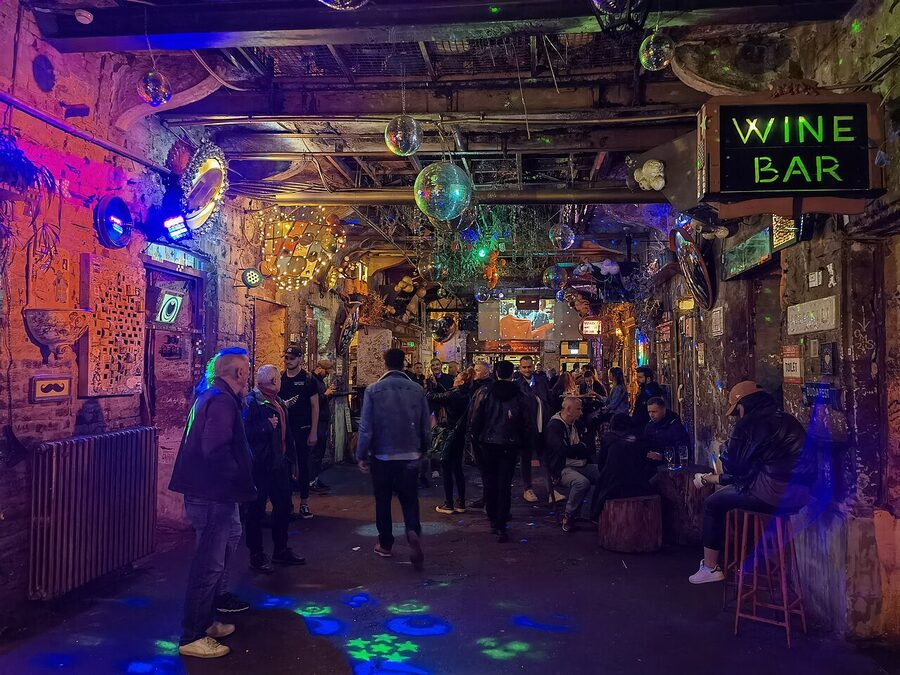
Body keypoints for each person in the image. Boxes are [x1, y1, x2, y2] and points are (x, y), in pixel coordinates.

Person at [168, 348, 256, 659]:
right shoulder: (221, 401)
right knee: (208, 564)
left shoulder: (215, 396)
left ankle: (204, 622)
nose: (249, 376)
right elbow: (215, 450)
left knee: (225, 545)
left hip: (217, 493)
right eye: (247, 371)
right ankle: (191, 635)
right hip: (213, 493)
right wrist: (236, 477)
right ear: (239, 374)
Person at [689, 381, 814, 585]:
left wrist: (715, 473)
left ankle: (710, 567)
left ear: (742, 406)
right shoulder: (786, 418)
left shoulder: (748, 424)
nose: (737, 417)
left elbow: (734, 468)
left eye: (736, 412)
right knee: (732, 487)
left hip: (774, 493)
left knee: (713, 503)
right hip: (802, 494)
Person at [357, 348, 430, 570]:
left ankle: (386, 543)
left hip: (382, 455)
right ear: (404, 363)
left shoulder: (374, 390)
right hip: (409, 454)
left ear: (385, 363)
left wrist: (361, 454)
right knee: (410, 499)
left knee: (383, 500)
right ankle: (411, 531)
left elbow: (366, 426)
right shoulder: (417, 389)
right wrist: (424, 449)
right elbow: (425, 424)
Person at [243, 365, 306, 573]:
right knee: (256, 510)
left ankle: (280, 549)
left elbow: (287, 435)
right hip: (261, 466)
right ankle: (256, 554)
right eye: (277, 378)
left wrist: (292, 461)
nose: (280, 381)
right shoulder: (252, 403)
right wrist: (265, 426)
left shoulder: (278, 402)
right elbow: (244, 432)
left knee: (283, 507)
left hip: (279, 464)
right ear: (272, 381)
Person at [468, 359, 537, 542]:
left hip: (488, 443)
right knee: (505, 484)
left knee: (490, 481)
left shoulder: (485, 392)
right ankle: (502, 522)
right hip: (510, 444)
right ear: (512, 374)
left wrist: (475, 439)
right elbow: (526, 421)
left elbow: (475, 419)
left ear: (496, 373)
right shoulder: (520, 394)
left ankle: (492, 517)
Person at [545, 397, 601, 533]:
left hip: (582, 463)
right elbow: (562, 450)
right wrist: (581, 447)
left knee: (604, 474)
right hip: (561, 467)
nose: (581, 412)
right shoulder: (554, 426)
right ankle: (569, 516)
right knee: (582, 483)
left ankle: (597, 513)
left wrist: (578, 448)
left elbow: (591, 447)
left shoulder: (578, 424)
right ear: (568, 410)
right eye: (578, 409)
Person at [279, 345, 319, 518]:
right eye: (286, 358)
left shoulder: (308, 380)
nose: (288, 361)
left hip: (303, 428)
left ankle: (304, 502)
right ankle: (286, 502)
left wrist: (314, 431)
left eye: (292, 358)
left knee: (303, 464)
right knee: (285, 464)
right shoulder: (281, 378)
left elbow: (315, 406)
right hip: (285, 429)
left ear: (300, 359)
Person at [593, 414, 655, 524]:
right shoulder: (639, 438)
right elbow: (644, 461)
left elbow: (601, 463)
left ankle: (597, 519)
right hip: (637, 485)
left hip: (612, 486)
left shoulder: (608, 439)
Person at [426, 368, 473, 514]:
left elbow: (431, 396)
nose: (454, 378)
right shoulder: (465, 394)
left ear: (462, 381)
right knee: (458, 468)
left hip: (449, 434)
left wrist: (428, 383)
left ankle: (448, 503)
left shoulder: (453, 395)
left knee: (446, 467)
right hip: (460, 434)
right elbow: (446, 393)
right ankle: (461, 503)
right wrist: (437, 384)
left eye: (457, 377)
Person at [512, 355, 550, 503]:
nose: (527, 370)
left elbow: (547, 399)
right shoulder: (517, 385)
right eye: (524, 367)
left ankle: (550, 489)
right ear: (520, 368)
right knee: (526, 459)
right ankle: (527, 489)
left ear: (534, 367)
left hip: (542, 425)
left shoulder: (541, 382)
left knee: (545, 459)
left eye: (529, 367)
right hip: (526, 428)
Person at [465, 361, 493, 510]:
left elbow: (478, 413)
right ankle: (487, 497)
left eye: (477, 370)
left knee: (486, 469)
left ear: (486, 372)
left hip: (483, 434)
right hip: (483, 433)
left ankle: (488, 499)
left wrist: (474, 432)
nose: (475, 372)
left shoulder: (485, 388)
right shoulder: (478, 386)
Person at [310, 358, 336, 493]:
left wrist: (328, 394)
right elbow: (313, 403)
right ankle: (311, 481)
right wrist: (325, 395)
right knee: (315, 453)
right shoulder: (313, 381)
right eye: (326, 372)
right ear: (319, 369)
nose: (327, 375)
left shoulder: (319, 381)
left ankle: (314, 478)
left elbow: (322, 401)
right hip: (318, 422)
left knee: (319, 452)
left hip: (323, 421)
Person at [644, 396, 691, 465]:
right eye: (649, 412)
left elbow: (684, 451)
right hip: (652, 466)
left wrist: (662, 456)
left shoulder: (675, 426)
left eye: (654, 412)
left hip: (671, 466)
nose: (651, 415)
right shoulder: (649, 426)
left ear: (663, 410)